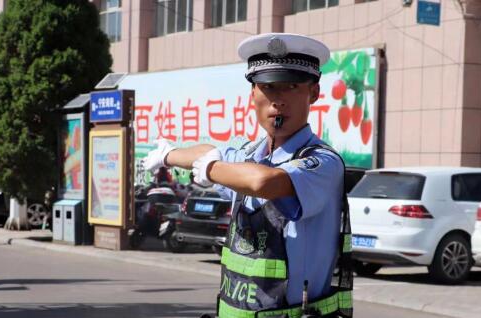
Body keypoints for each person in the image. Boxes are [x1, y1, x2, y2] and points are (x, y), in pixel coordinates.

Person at [143, 33, 353, 318]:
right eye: (268, 87)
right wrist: (168, 154)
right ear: (253, 94)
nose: (278, 101)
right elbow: (211, 150)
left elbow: (264, 182)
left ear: (313, 93)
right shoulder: (246, 156)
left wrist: (210, 170)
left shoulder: (322, 162)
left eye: (291, 86)